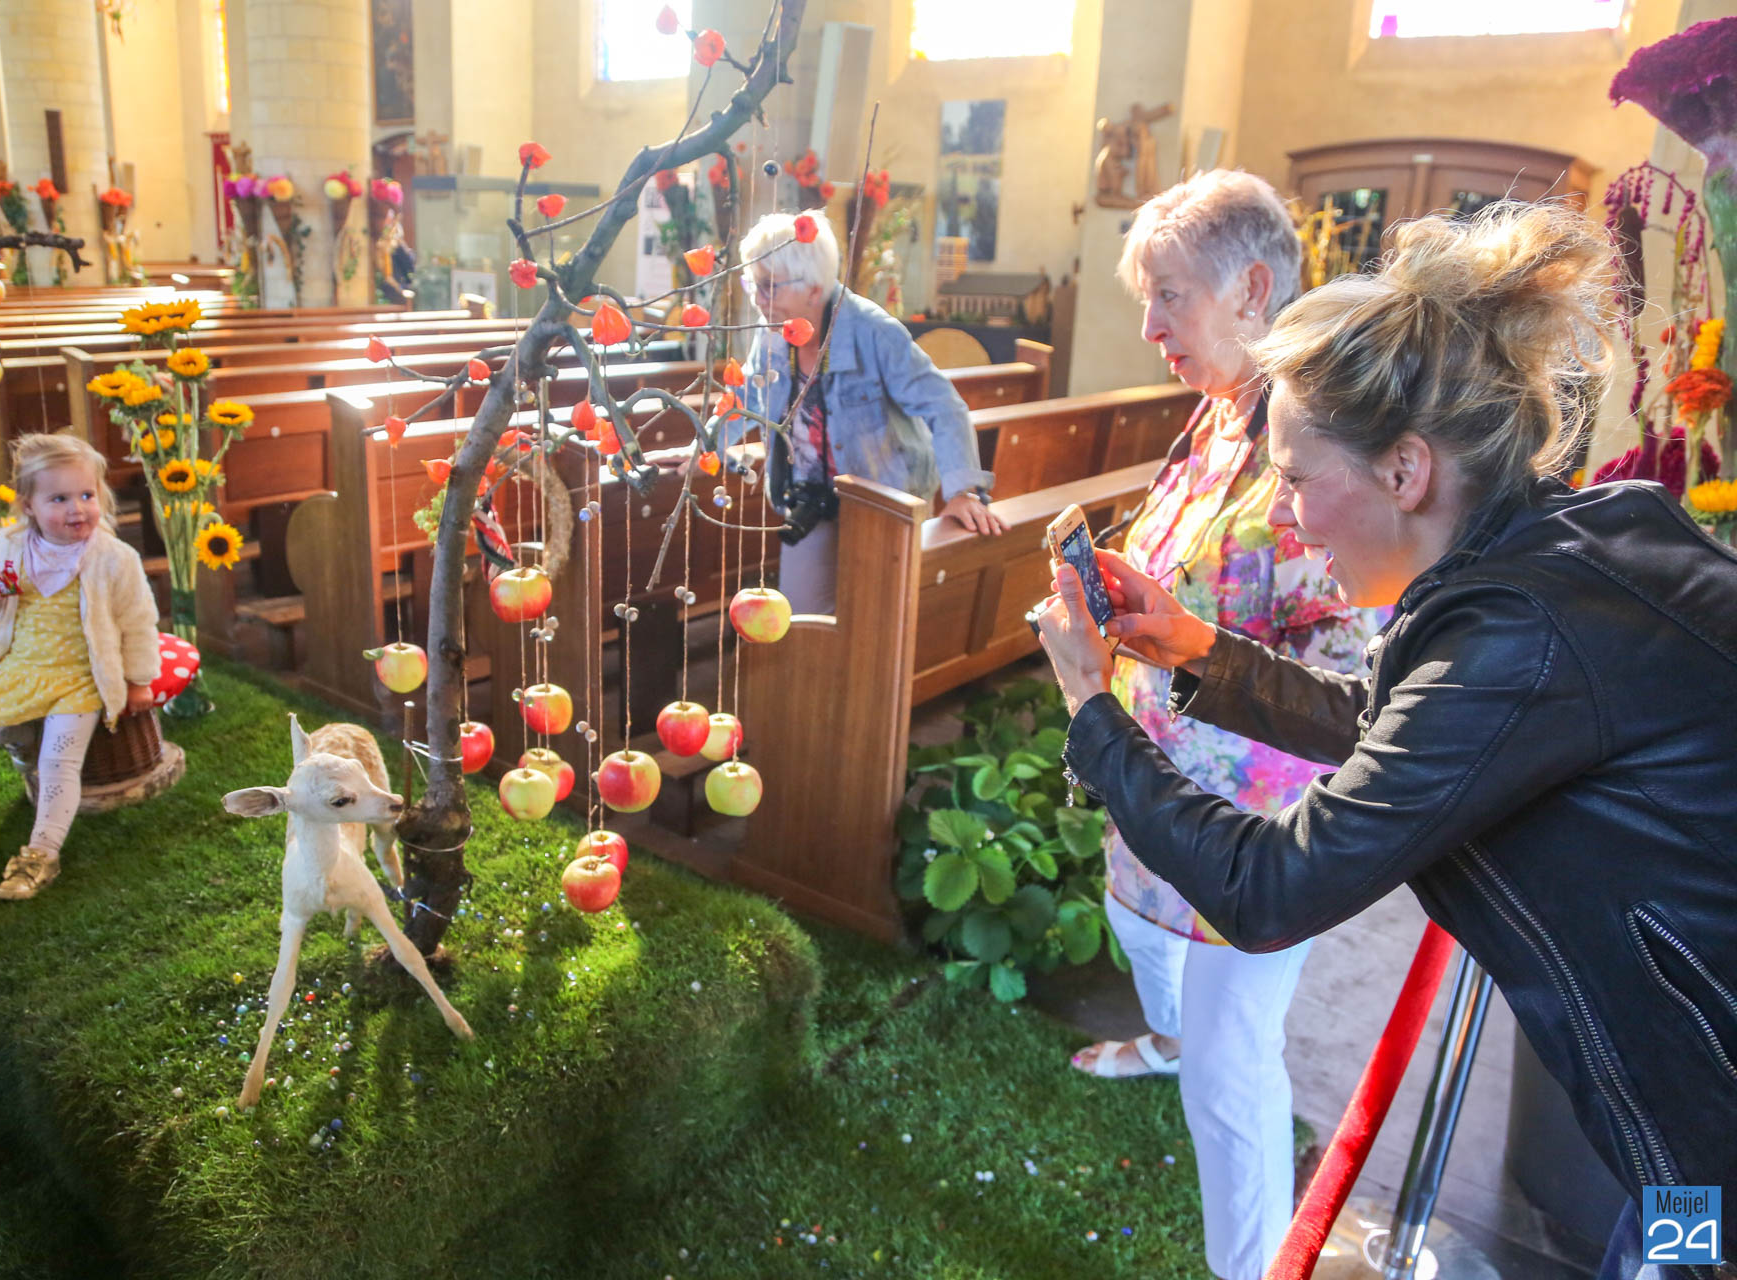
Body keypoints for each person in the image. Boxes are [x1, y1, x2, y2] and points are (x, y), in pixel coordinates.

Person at [1036, 201, 1737, 1280]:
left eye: (1297, 478)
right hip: (1686, 1122)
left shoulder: (1518, 638)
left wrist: (1094, 708)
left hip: (1707, 1139)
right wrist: (1196, 647)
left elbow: (1270, 888)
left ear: (1406, 471)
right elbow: (1398, 724)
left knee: (1683, 1252)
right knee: (1662, 1236)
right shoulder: (1563, 549)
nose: (1286, 517)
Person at [1066, 170, 1386, 1280]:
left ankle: (1250, 1267)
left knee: (1228, 1075)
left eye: (1170, 297)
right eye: (1145, 299)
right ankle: (1169, 1035)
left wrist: (1186, 640)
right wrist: (1122, 588)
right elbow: (1199, 568)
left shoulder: (1322, 441)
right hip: (1159, 787)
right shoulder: (1212, 415)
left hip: (1253, 826)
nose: (1149, 327)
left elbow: (1351, 688)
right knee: (1149, 952)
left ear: (1252, 289)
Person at [732, 208, 1005, 616]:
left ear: (813, 289)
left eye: (769, 286)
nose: (758, 299)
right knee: (802, 620)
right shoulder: (771, 333)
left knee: (876, 621)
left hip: (883, 499)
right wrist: (703, 446)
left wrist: (962, 491)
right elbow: (745, 400)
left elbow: (944, 406)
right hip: (809, 497)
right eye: (753, 284)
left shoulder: (874, 332)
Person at [0, 434, 160, 901]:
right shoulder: (9, 544)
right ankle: (23, 733)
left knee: (58, 764)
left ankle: (41, 854)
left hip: (81, 676)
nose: (77, 509)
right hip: (21, 665)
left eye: (86, 495)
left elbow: (139, 621)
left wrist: (138, 680)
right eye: (59, 499)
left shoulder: (114, 558)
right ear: (29, 505)